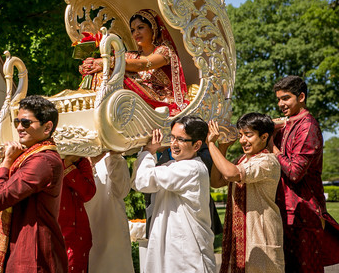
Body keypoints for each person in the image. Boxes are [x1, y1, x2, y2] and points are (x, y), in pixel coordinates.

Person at [0, 95, 67, 273]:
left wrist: (6, 163)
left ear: (47, 127)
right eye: (17, 121)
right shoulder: (31, 157)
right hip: (23, 248)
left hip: (34, 254)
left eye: (26, 123)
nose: (19, 128)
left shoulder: (43, 161)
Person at [271, 75, 339, 272]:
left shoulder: (307, 127)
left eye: (285, 98)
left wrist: (272, 148)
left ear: (301, 97)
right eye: (278, 99)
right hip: (285, 210)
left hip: (305, 212)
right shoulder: (287, 124)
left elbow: (294, 172)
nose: (280, 104)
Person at [131, 115, 215, 273]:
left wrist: (148, 151)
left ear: (197, 145)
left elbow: (143, 180)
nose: (173, 144)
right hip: (172, 243)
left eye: (181, 140)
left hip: (185, 248)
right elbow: (138, 183)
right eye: (172, 137)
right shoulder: (173, 165)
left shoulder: (191, 169)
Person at [208, 114, 284, 273]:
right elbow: (216, 182)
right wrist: (222, 147)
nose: (242, 140)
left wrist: (210, 144)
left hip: (260, 235)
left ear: (264, 137)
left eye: (248, 135)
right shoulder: (241, 160)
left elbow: (230, 174)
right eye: (240, 135)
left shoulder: (267, 161)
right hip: (240, 234)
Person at [80, 8, 189, 116]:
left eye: (140, 28)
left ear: (153, 29)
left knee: (113, 68)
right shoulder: (130, 56)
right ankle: (96, 110)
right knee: (103, 72)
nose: (136, 33)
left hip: (160, 103)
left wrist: (106, 63)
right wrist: (90, 65)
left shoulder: (165, 51)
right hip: (135, 102)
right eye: (133, 30)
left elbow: (142, 65)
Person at [84, 151, 134, 273]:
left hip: (110, 231)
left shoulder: (112, 155)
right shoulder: (68, 156)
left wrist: (114, 156)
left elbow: (121, 191)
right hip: (78, 228)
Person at [58, 155, 96, 273]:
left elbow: (88, 193)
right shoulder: (44, 158)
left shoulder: (81, 161)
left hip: (76, 233)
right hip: (51, 229)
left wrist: (68, 164)